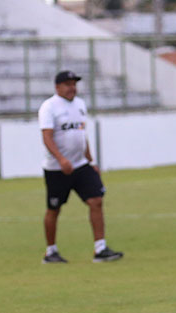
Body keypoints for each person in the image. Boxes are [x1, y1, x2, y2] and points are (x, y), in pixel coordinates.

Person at [38, 70, 123, 263]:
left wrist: (91, 161)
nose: (72, 88)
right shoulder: (49, 107)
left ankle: (100, 248)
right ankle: (50, 252)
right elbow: (47, 137)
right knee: (54, 209)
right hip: (57, 169)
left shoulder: (80, 104)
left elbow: (81, 135)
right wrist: (61, 160)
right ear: (57, 87)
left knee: (96, 200)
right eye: (67, 84)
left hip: (80, 165)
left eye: (74, 84)